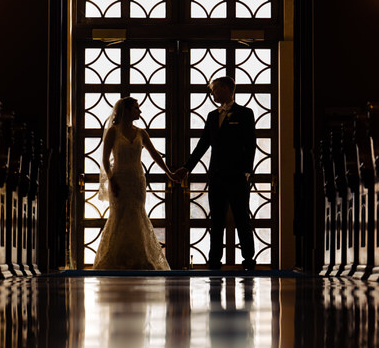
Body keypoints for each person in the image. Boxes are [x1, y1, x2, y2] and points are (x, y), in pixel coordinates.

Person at [174, 76, 257, 270]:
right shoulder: (212, 116)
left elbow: (251, 143)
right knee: (216, 220)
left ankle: (248, 259)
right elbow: (203, 144)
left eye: (215, 89)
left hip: (238, 176)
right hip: (217, 176)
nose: (212, 93)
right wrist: (187, 167)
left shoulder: (245, 113)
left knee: (242, 217)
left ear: (228, 89)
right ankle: (214, 260)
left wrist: (247, 171)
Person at [93, 97, 173, 270]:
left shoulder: (141, 133)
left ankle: (141, 259)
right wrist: (111, 179)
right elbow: (106, 159)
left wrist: (170, 174)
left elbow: (155, 155)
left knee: (137, 215)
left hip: (137, 180)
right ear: (127, 110)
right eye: (136, 108)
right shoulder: (113, 132)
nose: (140, 112)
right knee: (119, 217)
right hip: (119, 179)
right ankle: (116, 259)